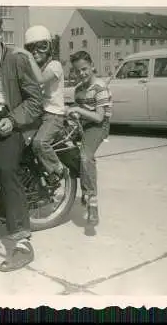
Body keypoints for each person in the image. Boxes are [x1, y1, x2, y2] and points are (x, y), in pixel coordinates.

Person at [0, 11, 43, 272]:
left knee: (6, 170)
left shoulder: (15, 59)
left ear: (0, 33)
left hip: (12, 120)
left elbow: (36, 101)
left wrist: (13, 120)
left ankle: (22, 242)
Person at [15, 25, 68, 187]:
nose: (36, 51)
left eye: (41, 47)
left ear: (49, 48)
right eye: (31, 48)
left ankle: (59, 169)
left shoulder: (55, 65)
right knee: (21, 144)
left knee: (40, 143)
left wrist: (27, 57)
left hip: (54, 115)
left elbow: (40, 80)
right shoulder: (35, 68)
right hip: (39, 114)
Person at [65, 51, 113, 226]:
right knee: (60, 143)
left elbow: (99, 117)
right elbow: (80, 113)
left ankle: (92, 201)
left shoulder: (100, 87)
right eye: (78, 71)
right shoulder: (78, 90)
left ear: (92, 66)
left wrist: (77, 111)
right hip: (84, 124)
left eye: (84, 69)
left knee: (86, 156)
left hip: (99, 127)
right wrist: (72, 116)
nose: (82, 74)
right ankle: (77, 179)